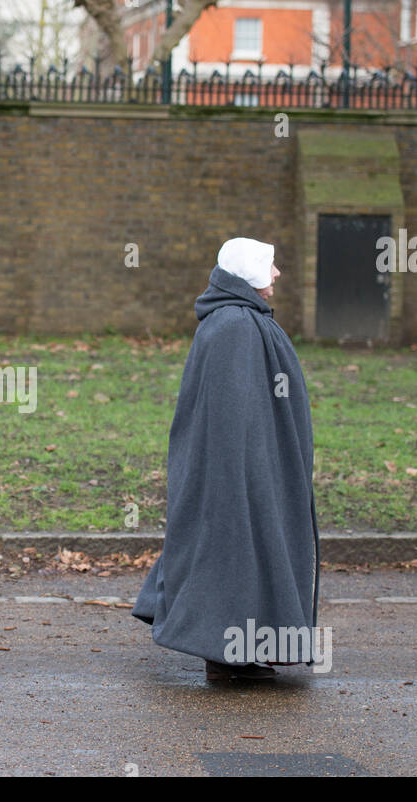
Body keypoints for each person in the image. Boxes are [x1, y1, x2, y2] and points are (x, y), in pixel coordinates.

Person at [132, 237, 320, 681]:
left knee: (235, 552)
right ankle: (225, 655)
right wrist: (244, 475)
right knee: (231, 552)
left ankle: (234, 651)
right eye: (270, 266)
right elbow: (232, 415)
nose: (277, 275)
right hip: (238, 470)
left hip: (249, 467)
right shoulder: (235, 325)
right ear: (248, 272)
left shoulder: (239, 320)